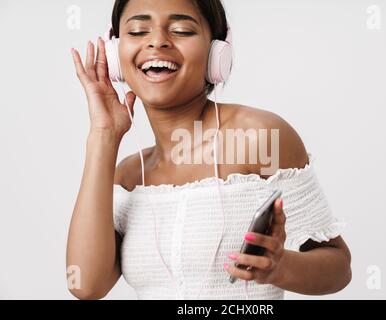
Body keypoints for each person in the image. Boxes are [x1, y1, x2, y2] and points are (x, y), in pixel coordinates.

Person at [66, 0, 351, 300]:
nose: (157, 41)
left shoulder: (260, 137)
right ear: (115, 52)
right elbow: (86, 285)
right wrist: (104, 136)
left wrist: (280, 268)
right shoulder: (127, 175)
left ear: (217, 52)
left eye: (181, 30)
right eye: (138, 30)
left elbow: (338, 266)